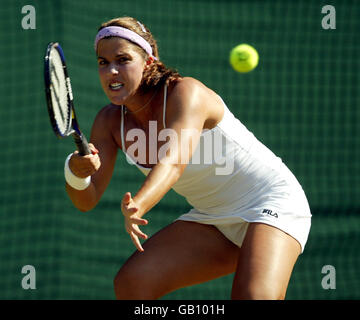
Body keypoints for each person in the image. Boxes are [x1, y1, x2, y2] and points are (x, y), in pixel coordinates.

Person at [64, 16, 312, 300]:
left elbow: (173, 161)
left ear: (149, 62)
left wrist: (139, 204)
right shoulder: (108, 122)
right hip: (214, 219)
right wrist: (76, 171)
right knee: (132, 284)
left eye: (123, 60)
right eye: (103, 62)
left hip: (271, 200)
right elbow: (87, 199)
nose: (112, 71)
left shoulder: (186, 92)